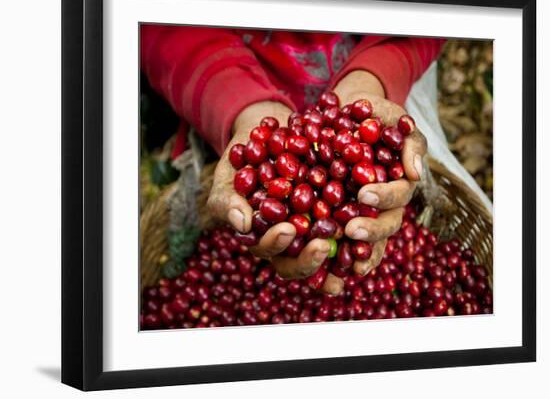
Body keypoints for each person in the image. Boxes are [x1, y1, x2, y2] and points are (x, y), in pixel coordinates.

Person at [140, 26, 445, 294]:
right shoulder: (293, 164)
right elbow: (159, 20)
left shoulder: (332, 151)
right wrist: (241, 105)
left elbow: (435, 3)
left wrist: (375, 76)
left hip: (370, 62)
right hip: (221, 86)